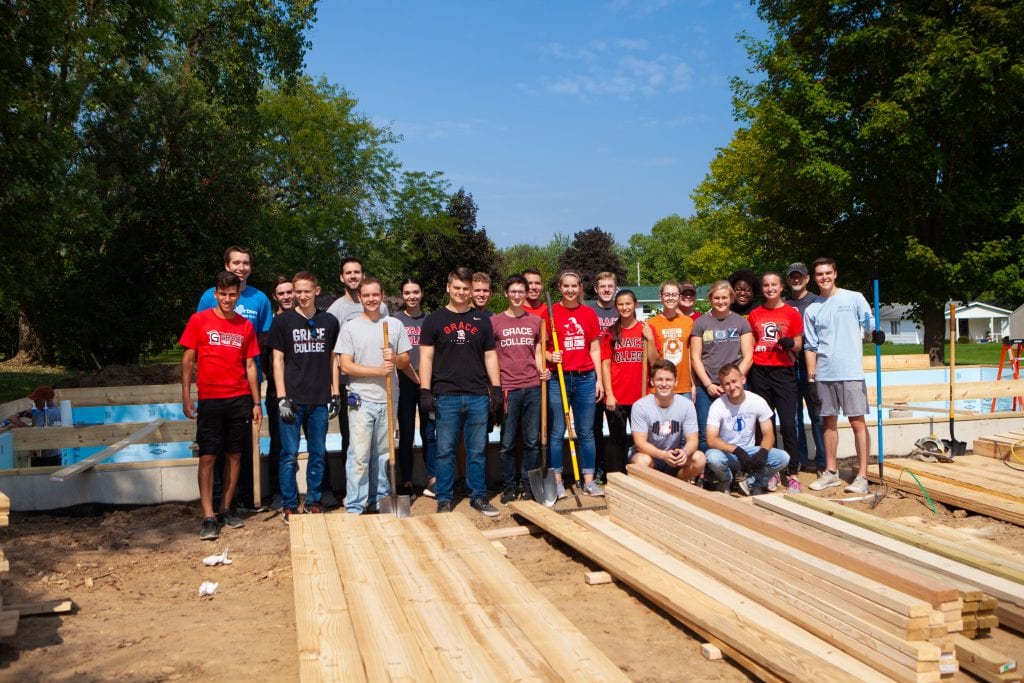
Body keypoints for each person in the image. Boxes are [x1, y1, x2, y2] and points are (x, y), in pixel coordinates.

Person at [180, 271, 263, 540]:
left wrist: (256, 402)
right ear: (215, 294)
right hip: (210, 399)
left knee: (235, 455)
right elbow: (188, 360)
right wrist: (186, 395)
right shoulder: (199, 320)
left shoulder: (245, 326)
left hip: (239, 399)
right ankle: (208, 516)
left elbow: (250, 365)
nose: (228, 299)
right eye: (223, 294)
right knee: (207, 457)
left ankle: (226, 509)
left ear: (239, 296)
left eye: (233, 294)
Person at [418, 267, 502, 516]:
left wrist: (495, 389)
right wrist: (425, 391)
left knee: (477, 451)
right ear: (448, 288)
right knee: (445, 451)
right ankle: (444, 498)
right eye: (457, 288)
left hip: (477, 395)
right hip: (446, 395)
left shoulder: (482, 320)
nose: (462, 293)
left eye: (466, 289)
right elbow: (426, 358)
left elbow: (490, 356)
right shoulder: (434, 320)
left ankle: (478, 496)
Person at [195, 245, 272, 511]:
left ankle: (244, 498)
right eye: (236, 263)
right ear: (227, 266)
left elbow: (262, 338)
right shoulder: (209, 296)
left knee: (242, 448)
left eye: (246, 263)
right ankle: (217, 501)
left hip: (245, 383)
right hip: (215, 389)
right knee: (213, 451)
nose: (241, 267)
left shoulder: (260, 298)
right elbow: (200, 336)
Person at [803, 257, 884, 494]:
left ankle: (862, 475)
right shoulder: (812, 309)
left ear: (835, 273)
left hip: (851, 372)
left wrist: (875, 333)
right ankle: (831, 471)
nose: (824, 277)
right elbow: (810, 345)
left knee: (857, 421)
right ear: (814, 278)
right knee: (828, 422)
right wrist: (811, 376)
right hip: (825, 373)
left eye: (828, 272)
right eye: (819, 274)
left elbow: (869, 324)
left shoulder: (854, 298)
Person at [268, 272, 340, 523]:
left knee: (318, 452)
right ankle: (289, 504)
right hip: (293, 399)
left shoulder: (329, 321)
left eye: (306, 290)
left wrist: (336, 392)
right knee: (288, 453)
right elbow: (277, 360)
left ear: (316, 290)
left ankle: (313, 501)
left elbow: (333, 358)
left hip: (319, 399)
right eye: (297, 291)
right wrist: (281, 397)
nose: (301, 295)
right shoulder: (283, 322)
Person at [336, 277, 410, 514]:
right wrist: (377, 371)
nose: (370, 299)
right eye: (366, 295)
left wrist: (395, 358)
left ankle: (381, 501)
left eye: (375, 295)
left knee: (384, 455)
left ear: (382, 295)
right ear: (360, 297)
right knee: (359, 455)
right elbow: (345, 366)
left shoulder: (394, 325)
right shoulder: (350, 327)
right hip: (361, 399)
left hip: (389, 398)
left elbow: (406, 361)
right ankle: (356, 505)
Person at [325, 257, 388, 506]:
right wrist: (333, 390)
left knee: (376, 447)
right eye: (348, 273)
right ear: (342, 277)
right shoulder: (336, 311)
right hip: (348, 384)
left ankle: (376, 496)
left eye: (357, 272)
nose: (353, 276)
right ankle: (352, 495)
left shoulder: (381, 309)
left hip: (379, 387)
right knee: (353, 444)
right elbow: (334, 355)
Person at [545, 270, 606, 498]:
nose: (570, 290)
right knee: (557, 431)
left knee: (586, 432)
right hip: (557, 378)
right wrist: (551, 357)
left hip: (584, 378)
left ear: (580, 287)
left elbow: (595, 348)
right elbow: (540, 347)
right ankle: (558, 482)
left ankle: (589, 481)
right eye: (566, 286)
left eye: (574, 286)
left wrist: (599, 379)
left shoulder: (589, 314)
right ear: (559, 287)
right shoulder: (549, 313)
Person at [492, 274, 549, 504]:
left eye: (521, 292)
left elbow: (537, 352)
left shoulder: (535, 322)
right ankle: (508, 487)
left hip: (532, 386)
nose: (517, 296)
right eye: (512, 291)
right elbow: (491, 356)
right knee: (507, 443)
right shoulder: (495, 322)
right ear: (506, 293)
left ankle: (527, 485)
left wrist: (542, 370)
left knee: (531, 441)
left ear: (526, 294)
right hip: (508, 388)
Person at [747, 272, 804, 493]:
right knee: (764, 425)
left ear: (781, 287)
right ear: (762, 289)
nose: (770, 288)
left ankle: (793, 473)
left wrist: (791, 344)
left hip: (784, 372)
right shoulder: (755, 314)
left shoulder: (791, 313)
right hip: (760, 371)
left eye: (774, 285)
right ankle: (769, 470)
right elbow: (751, 343)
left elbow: (798, 343)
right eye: (766, 285)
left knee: (789, 424)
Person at [704, 363, 790, 495]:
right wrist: (737, 451)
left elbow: (768, 435)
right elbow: (711, 439)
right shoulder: (718, 406)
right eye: (727, 384)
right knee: (713, 457)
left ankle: (752, 482)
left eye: (734, 381)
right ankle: (726, 481)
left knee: (783, 457)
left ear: (743, 379)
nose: (732, 387)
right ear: (722, 386)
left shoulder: (757, 400)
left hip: (750, 451)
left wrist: (763, 452)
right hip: (728, 452)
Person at [690, 281, 754, 452]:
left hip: (735, 385)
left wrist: (734, 382)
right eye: (716, 298)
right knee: (705, 432)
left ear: (731, 298)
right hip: (707, 386)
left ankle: (738, 468)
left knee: (736, 430)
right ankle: (707, 471)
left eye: (724, 297)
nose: (720, 301)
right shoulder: (700, 323)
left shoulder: (741, 322)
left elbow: (748, 357)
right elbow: (695, 358)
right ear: (710, 299)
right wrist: (708, 384)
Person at [601, 290, 656, 475]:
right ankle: (617, 477)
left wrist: (650, 339)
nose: (624, 307)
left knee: (641, 440)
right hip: (617, 397)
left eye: (628, 304)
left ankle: (641, 476)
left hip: (641, 397)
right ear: (616, 307)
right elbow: (606, 364)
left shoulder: (645, 329)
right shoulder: (611, 332)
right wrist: (609, 394)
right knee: (617, 441)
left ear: (635, 305)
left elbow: (655, 362)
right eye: (621, 304)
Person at [393, 277, 437, 498]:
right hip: (405, 383)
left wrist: (425, 380)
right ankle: (407, 482)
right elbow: (396, 356)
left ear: (422, 294)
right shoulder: (395, 321)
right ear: (402, 295)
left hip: (428, 383)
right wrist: (414, 376)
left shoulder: (430, 320)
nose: (412, 296)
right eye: (407, 292)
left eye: (416, 292)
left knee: (429, 432)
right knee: (407, 432)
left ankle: (432, 479)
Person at [628, 360, 706, 481]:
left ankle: (677, 484)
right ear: (652, 381)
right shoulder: (640, 406)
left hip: (674, 458)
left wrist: (684, 452)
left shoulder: (687, 405)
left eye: (668, 380)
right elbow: (640, 443)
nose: (664, 384)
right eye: (660, 379)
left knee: (699, 458)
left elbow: (693, 440)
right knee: (641, 461)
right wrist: (663, 455)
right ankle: (652, 488)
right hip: (651, 457)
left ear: (676, 382)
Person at [784, 262, 826, 474]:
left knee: (817, 416)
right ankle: (799, 459)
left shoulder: (817, 302)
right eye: (792, 276)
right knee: (795, 417)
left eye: (800, 276)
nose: (796, 279)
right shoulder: (783, 304)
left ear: (807, 278)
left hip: (814, 368)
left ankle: (822, 462)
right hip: (789, 368)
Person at [263, 275, 295, 508]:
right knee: (279, 444)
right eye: (281, 293)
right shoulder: (271, 325)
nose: (286, 296)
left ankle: (322, 489)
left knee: (313, 444)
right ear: (275, 297)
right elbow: (269, 364)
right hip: (277, 395)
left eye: (289, 292)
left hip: (305, 393)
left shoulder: (305, 321)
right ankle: (278, 492)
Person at [589, 271, 619, 483]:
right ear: (596, 289)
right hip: (591, 376)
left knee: (618, 426)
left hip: (616, 376)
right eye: (603, 286)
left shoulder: (622, 309)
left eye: (610, 286)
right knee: (593, 429)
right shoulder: (589, 311)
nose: (607, 290)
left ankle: (618, 471)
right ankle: (598, 470)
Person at [647, 281, 695, 401]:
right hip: (660, 385)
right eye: (667, 294)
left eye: (674, 295)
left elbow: (691, 356)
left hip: (684, 386)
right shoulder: (651, 323)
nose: (670, 298)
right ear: (661, 297)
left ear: (679, 297)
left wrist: (693, 384)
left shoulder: (688, 322)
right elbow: (652, 360)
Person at [4, 387, 63, 466]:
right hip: (50, 456)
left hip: (47, 458)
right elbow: (40, 419)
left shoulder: (49, 414)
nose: (35, 402)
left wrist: (18, 422)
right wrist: (30, 414)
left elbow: (36, 434)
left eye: (37, 400)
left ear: (47, 400)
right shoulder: (52, 409)